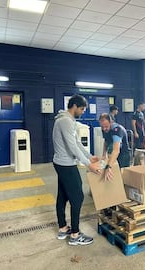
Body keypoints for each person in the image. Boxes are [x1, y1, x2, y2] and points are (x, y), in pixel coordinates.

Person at [52, 94, 101, 246]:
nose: (83, 111)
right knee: (78, 197)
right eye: (81, 108)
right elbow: (72, 147)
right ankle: (75, 235)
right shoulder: (65, 121)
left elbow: (77, 142)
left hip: (62, 163)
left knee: (63, 195)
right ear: (74, 106)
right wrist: (88, 164)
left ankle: (62, 228)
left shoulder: (68, 120)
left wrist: (89, 156)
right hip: (66, 165)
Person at [99, 113, 131, 181]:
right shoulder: (104, 128)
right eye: (102, 127)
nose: (104, 129)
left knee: (123, 178)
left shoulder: (117, 130)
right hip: (114, 154)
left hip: (123, 155)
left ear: (111, 122)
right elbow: (106, 141)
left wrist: (108, 166)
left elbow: (116, 150)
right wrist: (104, 154)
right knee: (113, 176)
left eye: (106, 126)